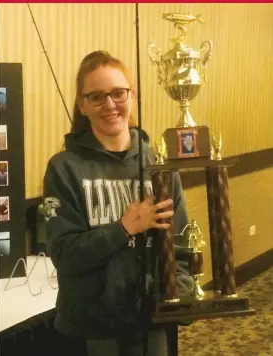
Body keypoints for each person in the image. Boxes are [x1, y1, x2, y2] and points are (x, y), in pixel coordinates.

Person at [43, 50, 194, 356]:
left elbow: (181, 247)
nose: (109, 105)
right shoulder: (63, 168)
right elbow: (64, 254)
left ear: (132, 96)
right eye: (96, 97)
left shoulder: (159, 165)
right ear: (82, 105)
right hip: (90, 327)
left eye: (117, 93)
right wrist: (125, 227)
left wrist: (178, 294)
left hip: (151, 322)